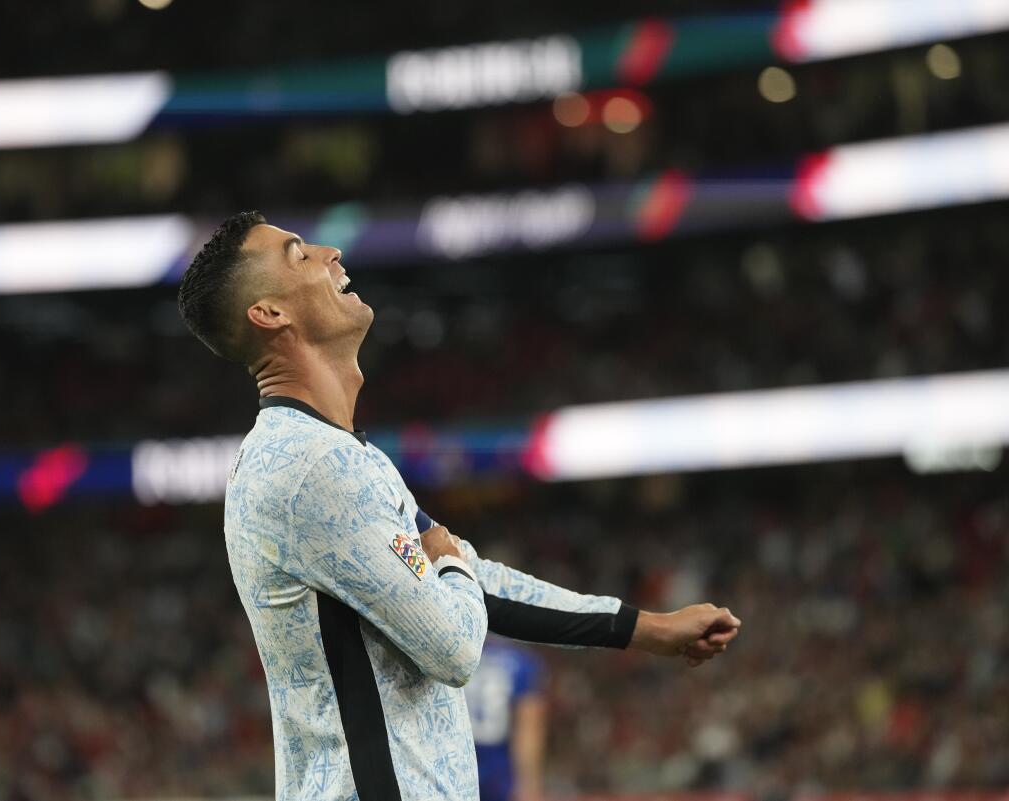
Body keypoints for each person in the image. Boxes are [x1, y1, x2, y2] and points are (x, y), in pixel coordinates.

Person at [176, 211, 742, 801]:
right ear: (270, 314)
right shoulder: (313, 469)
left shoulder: (322, 454)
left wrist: (645, 628)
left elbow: (473, 578)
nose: (329, 252)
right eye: (298, 254)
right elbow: (454, 645)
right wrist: (446, 565)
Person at [465, 636, 547, 801]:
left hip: (453, 765)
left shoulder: (455, 655)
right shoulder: (522, 662)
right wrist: (529, 785)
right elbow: (527, 730)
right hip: (499, 773)